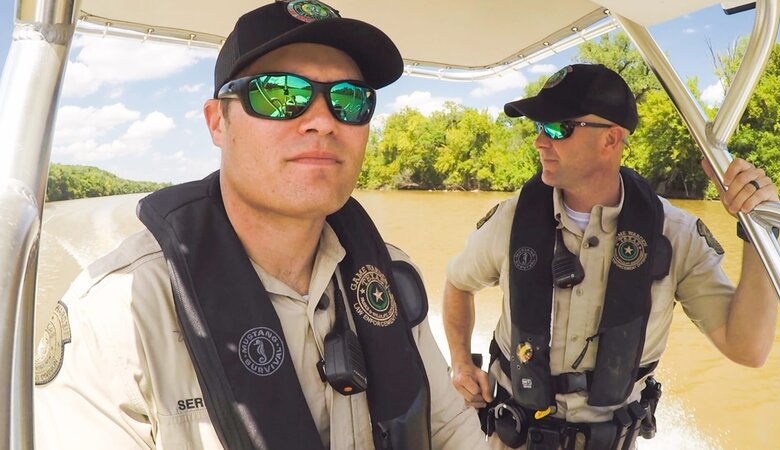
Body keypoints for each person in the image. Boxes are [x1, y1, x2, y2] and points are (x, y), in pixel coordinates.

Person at [34, 2, 488, 449]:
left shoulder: (387, 275)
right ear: (218, 122)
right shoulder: (118, 315)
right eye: (279, 93)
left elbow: (448, 429)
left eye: (350, 100)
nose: (322, 121)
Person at [443, 63, 780, 450]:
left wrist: (758, 232)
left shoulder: (676, 236)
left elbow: (748, 348)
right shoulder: (511, 220)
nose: (540, 141)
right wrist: (462, 363)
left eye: (558, 128)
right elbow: (458, 283)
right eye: (538, 127)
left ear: (611, 139)